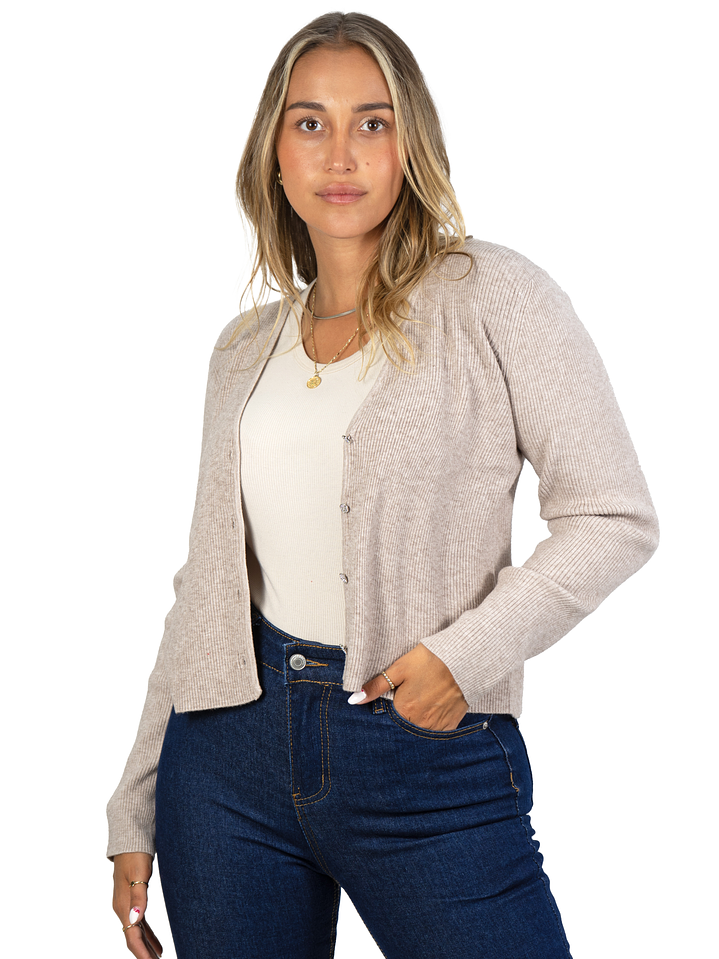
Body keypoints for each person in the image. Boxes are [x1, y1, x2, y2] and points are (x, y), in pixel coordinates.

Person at [108, 12, 659, 959]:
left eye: (372, 121)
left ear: (412, 144)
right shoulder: (242, 349)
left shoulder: (493, 295)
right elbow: (205, 586)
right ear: (273, 153)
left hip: (424, 755)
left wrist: (463, 655)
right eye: (309, 123)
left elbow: (612, 515)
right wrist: (137, 800)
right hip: (224, 768)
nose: (341, 154)